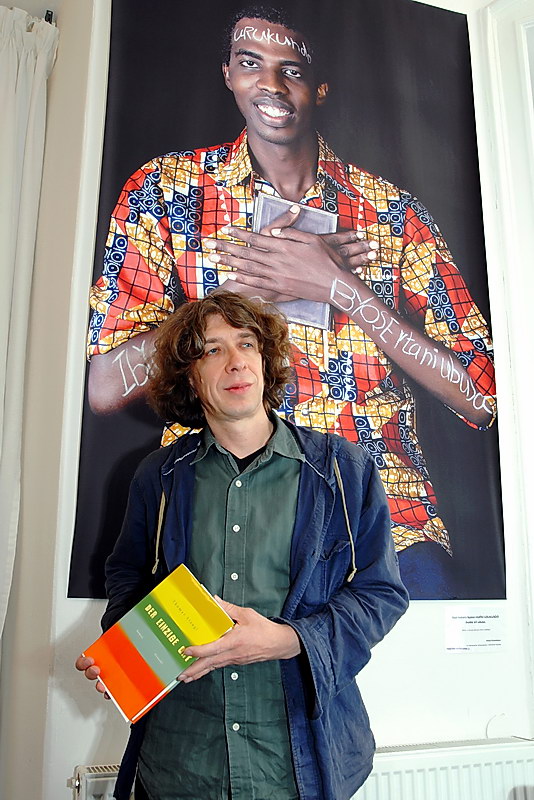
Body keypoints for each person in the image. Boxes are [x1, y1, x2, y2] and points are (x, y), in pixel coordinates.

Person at [86, 5, 497, 598]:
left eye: (292, 70)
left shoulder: (390, 213)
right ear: (228, 73)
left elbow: (482, 399)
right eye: (251, 63)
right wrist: (245, 295)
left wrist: (339, 287)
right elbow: (104, 387)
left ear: (320, 86)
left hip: (380, 519)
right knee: (188, 649)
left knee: (439, 635)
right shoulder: (167, 192)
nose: (271, 86)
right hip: (219, 509)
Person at [76, 291, 409, 800]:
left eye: (246, 343)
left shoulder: (344, 469)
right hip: (182, 762)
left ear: (265, 358)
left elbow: (381, 593)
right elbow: (128, 575)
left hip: (296, 765)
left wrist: (289, 640)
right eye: (212, 350)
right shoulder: (158, 476)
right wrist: (128, 653)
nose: (235, 361)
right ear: (190, 377)